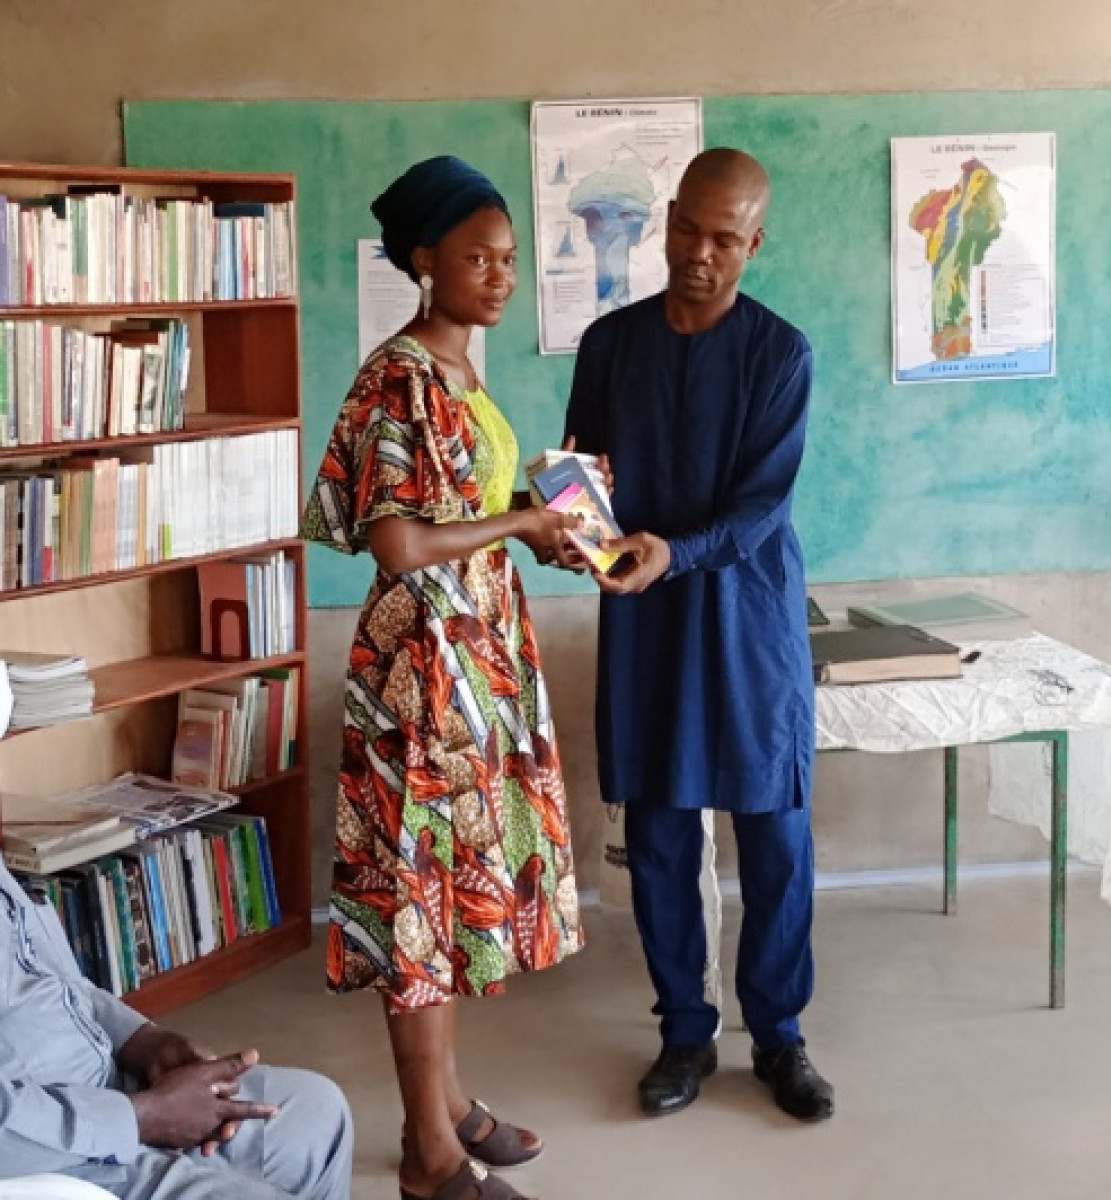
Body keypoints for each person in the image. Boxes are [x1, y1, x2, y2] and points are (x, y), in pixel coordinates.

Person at [302, 156, 585, 1200]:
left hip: (478, 663)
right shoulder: (400, 374)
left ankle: (450, 1105)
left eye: (510, 259)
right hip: (419, 678)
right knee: (416, 902)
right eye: (479, 257)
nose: (502, 276)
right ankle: (428, 1156)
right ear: (425, 262)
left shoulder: (463, 370)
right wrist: (517, 522)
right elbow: (397, 543)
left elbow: (461, 500)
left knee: (452, 901)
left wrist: (538, 517)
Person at [563, 148, 834, 1124]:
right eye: (688, 230)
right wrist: (577, 537)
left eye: (726, 239)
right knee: (666, 837)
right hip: (646, 621)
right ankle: (685, 1032)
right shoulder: (610, 345)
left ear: (754, 244)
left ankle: (779, 1036)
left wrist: (668, 552)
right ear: (665, 222)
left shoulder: (781, 354)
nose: (701, 254)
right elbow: (581, 472)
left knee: (775, 838)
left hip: (749, 619)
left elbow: (762, 507)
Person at [0, 854, 353, 1198]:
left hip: (105, 1086)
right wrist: (143, 1116)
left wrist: (140, 1038)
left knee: (316, 1113)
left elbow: (56, 984)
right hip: (50, 1153)